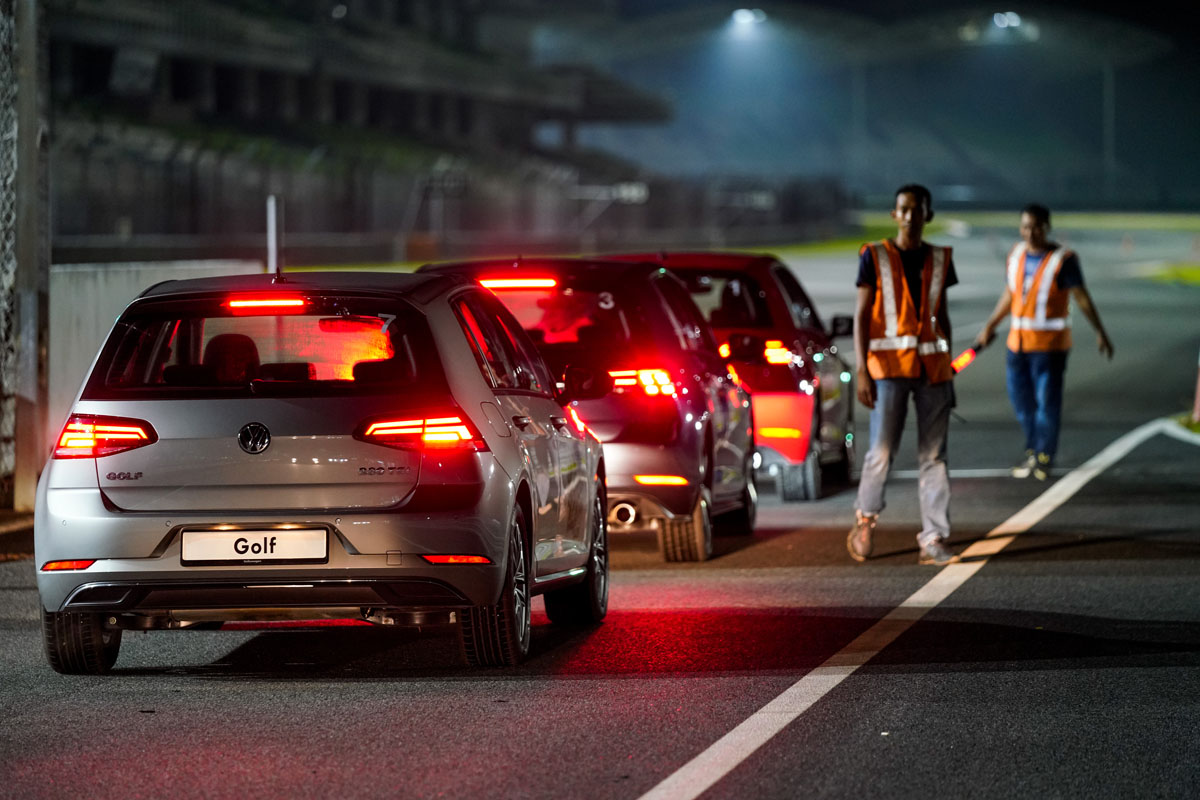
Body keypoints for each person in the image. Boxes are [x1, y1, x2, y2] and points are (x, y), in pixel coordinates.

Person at [847, 184, 958, 566]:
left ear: (928, 215)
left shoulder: (941, 258)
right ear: (894, 214)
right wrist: (862, 369)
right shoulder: (874, 256)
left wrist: (949, 371)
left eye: (917, 209)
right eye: (903, 209)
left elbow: (942, 317)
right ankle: (865, 520)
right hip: (889, 370)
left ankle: (934, 538)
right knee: (881, 451)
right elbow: (862, 316)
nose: (910, 215)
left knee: (935, 456)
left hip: (932, 370)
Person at [973, 204, 1113, 480]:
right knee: (1021, 402)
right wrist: (990, 324)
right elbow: (1010, 294)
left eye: (1037, 227)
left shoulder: (1064, 259)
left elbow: (1081, 297)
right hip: (1018, 345)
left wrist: (1100, 330)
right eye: (1026, 226)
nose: (1031, 232)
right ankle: (1034, 450)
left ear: (1047, 227)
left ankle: (1043, 456)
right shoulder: (1015, 255)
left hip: (1049, 348)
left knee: (1046, 403)